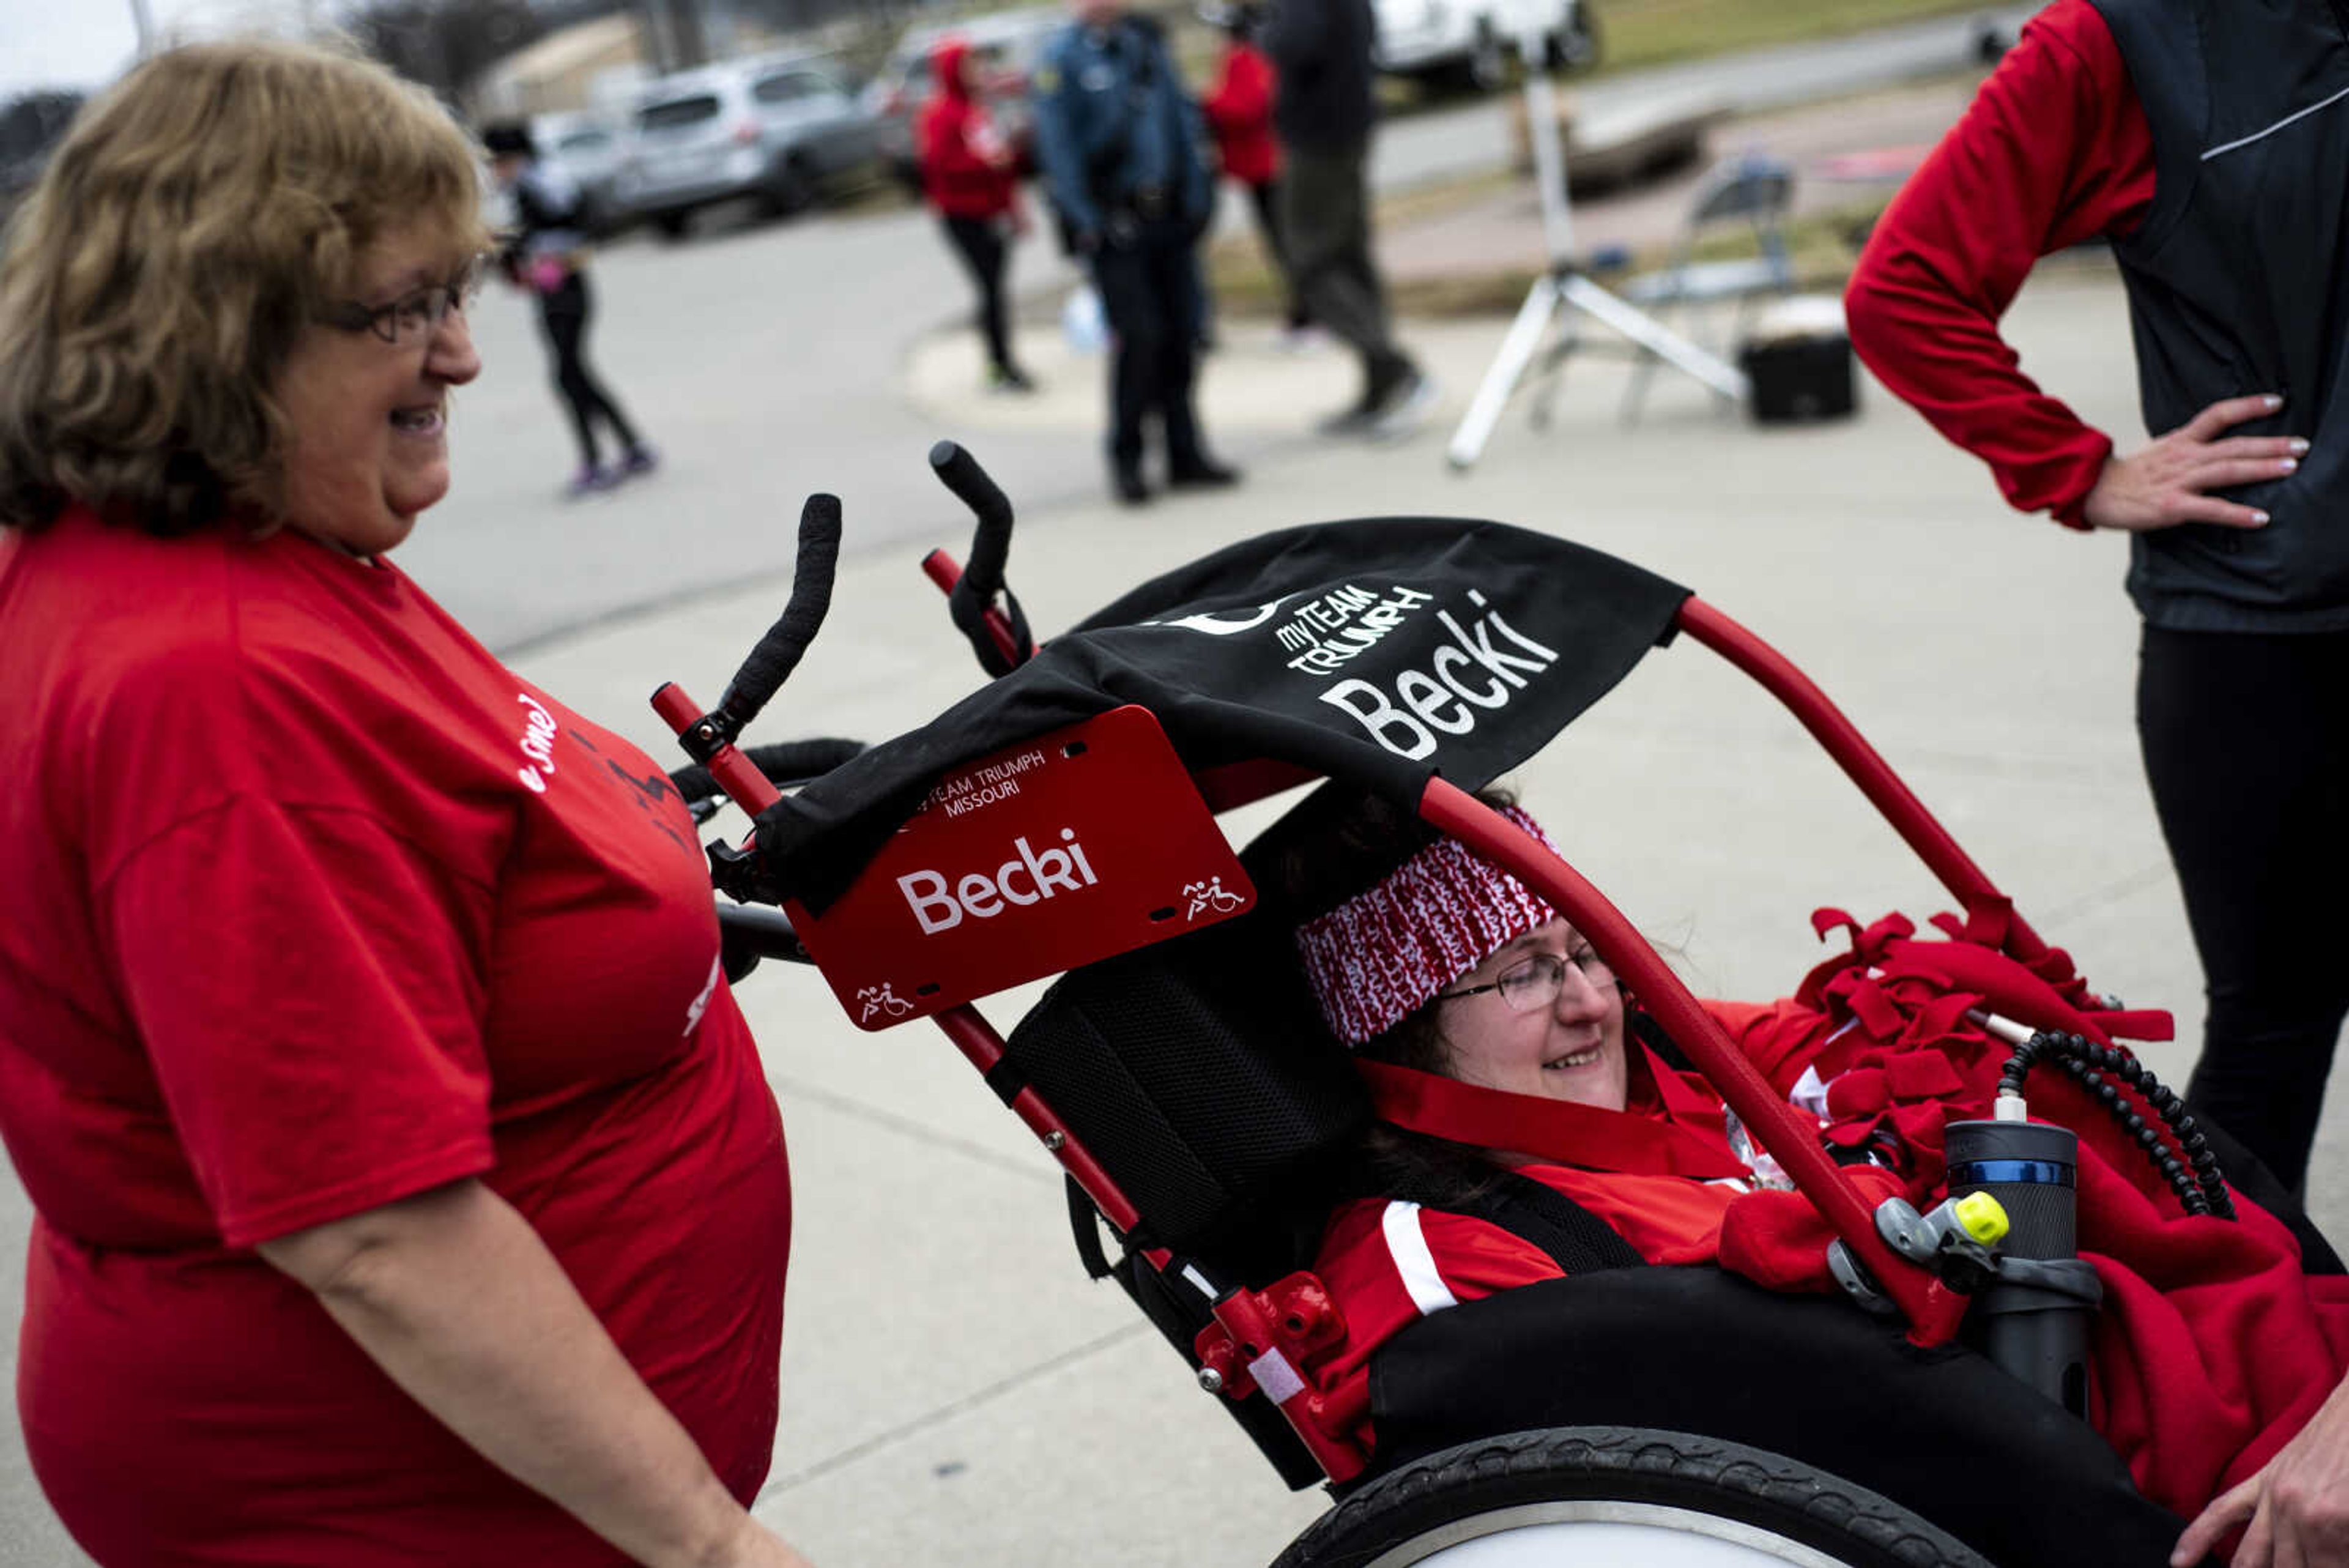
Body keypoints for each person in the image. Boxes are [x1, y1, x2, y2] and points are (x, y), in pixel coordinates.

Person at [0, 42, 806, 1567]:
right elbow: (369, 1229)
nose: (462, 357)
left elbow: (429, 848)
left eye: (462, 293)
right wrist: (706, 1543)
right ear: (213, 334)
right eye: (404, 309)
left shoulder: (250, 545)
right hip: (389, 1497)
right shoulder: (214, 693)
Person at [1259, 784, 2349, 1566]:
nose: (1591, 1000)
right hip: (2061, 1475)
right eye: (1520, 976)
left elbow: (1806, 1036)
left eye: (1585, 949)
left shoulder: (1665, 1056)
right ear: (1400, 1032)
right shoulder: (1430, 1249)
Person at [1842, 0, 2347, 1206]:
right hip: (2266, 635)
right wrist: (2084, 472)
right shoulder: (2122, 44)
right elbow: (1902, 293)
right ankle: (2246, 1356)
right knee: (2274, 1033)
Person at [1032, 0, 1241, 505]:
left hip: (1168, 216)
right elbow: (1058, 152)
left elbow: (1181, 122)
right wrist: (1087, 221)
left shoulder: (1145, 44)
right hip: (1114, 224)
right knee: (1141, 339)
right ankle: (1127, 459)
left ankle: (1185, 452)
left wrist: (1197, 197)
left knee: (1184, 333)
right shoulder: (1061, 59)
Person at [1263, 0, 1435, 437]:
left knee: (1311, 261)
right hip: (1347, 126)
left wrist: (1266, 29)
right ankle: (1380, 383)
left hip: (1319, 138)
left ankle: (1392, 367)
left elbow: (1293, 43)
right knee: (1349, 255)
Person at [483, 121, 658, 499]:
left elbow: (571, 229)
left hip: (565, 289)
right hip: (559, 289)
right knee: (575, 372)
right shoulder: (534, 184)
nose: (496, 172)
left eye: (498, 163)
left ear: (515, 159)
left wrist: (521, 254)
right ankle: (632, 447)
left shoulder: (539, 185)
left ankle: (596, 462)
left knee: (567, 374)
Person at [919, 36, 1039, 394]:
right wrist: (986, 163)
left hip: (992, 214)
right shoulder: (940, 114)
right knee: (990, 292)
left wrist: (1015, 210)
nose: (977, 71)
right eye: (968, 65)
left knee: (997, 291)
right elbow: (941, 166)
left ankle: (1003, 360)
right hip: (963, 216)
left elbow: (1000, 165)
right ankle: (999, 366)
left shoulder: (977, 109)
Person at [1200, 2, 1311, 342]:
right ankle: (1304, 312)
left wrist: (1206, 104)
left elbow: (1246, 107)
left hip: (1266, 166)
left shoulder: (1244, 58)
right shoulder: (1254, 55)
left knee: (1286, 243)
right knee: (1283, 241)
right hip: (1261, 166)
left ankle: (1307, 315)